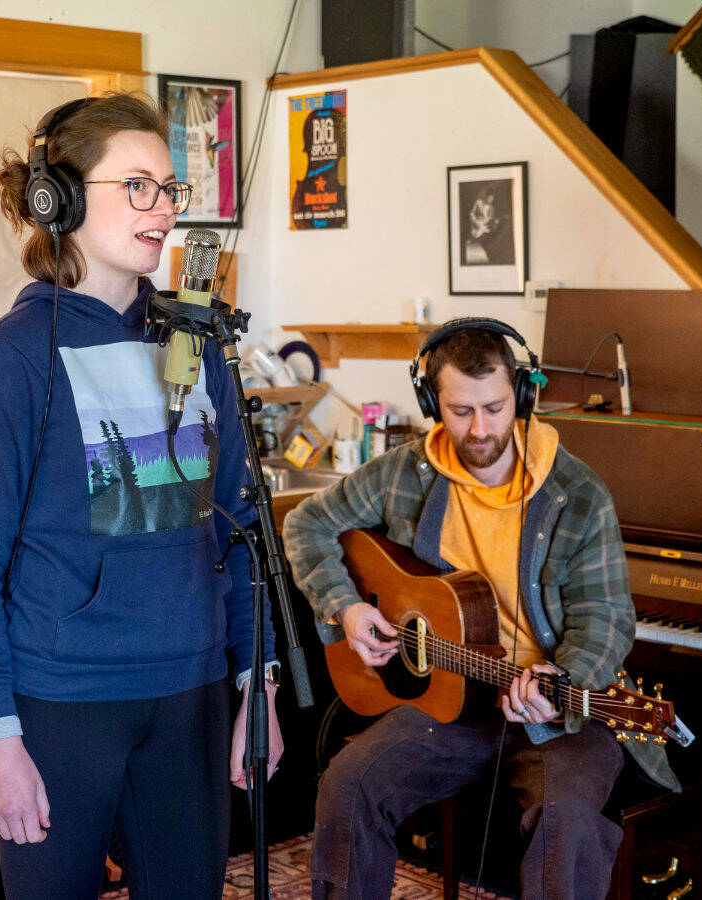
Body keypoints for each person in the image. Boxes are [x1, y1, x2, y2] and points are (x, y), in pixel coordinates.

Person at [0, 92, 283, 900]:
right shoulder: (11, 359)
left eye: (170, 188)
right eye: (136, 186)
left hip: (191, 693)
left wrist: (256, 682)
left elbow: (238, 530)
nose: (164, 209)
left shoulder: (197, 342)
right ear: (58, 199)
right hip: (61, 705)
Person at [282, 319, 678, 899]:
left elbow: (607, 617)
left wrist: (559, 678)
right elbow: (306, 524)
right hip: (452, 702)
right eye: (459, 410)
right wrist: (344, 607)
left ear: (520, 395)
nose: (479, 429)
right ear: (430, 402)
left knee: (566, 818)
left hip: (560, 710)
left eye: (494, 408)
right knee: (349, 783)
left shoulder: (577, 493)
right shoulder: (404, 473)